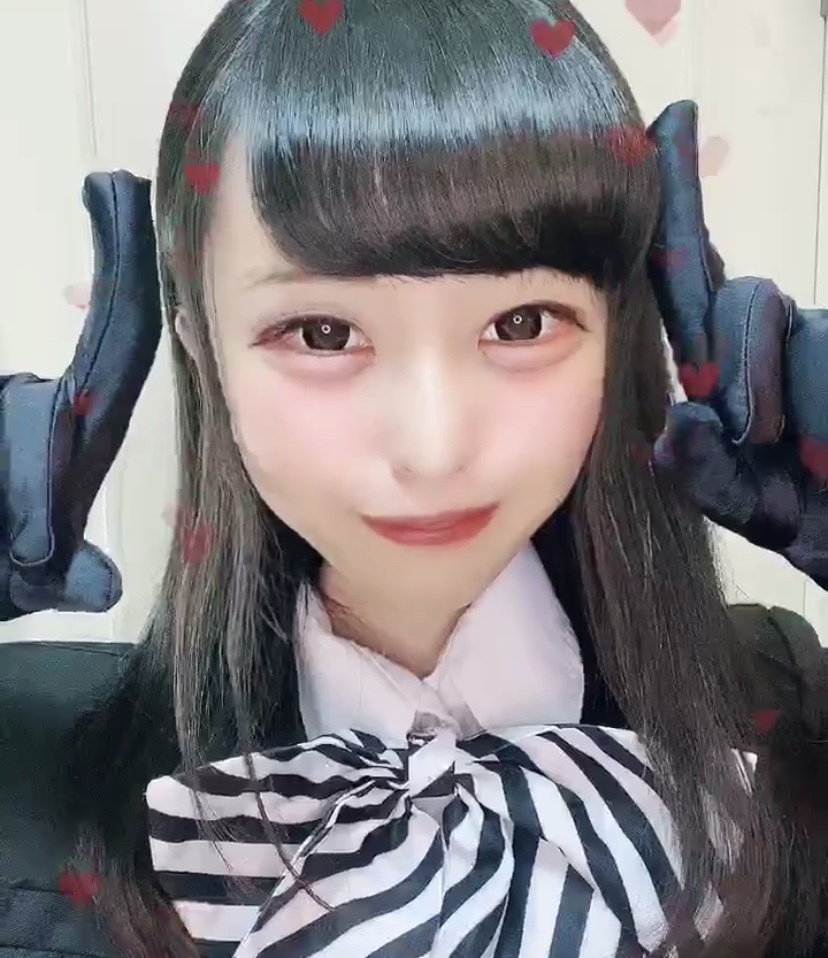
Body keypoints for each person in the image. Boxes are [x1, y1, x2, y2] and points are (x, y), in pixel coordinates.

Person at [1, 1, 827, 956]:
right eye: (323, 334)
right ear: (200, 346)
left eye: (521, 325)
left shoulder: (783, 718)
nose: (433, 450)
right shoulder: (36, 767)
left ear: (618, 333)